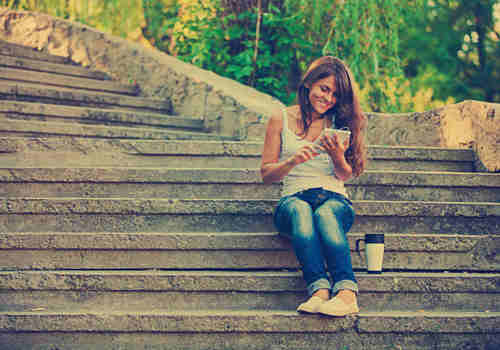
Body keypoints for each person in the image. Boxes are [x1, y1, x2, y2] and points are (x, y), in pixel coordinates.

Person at [260, 56, 367, 316]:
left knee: (325, 213)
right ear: (309, 83)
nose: (328, 99)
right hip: (292, 201)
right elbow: (266, 174)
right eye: (324, 89)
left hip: (333, 200)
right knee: (301, 210)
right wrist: (293, 160)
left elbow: (345, 175)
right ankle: (319, 290)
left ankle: (346, 293)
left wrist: (337, 156)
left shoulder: (339, 122)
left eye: (335, 94)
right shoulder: (280, 118)